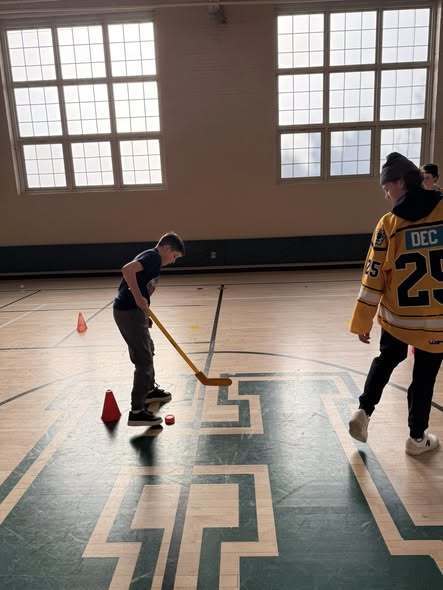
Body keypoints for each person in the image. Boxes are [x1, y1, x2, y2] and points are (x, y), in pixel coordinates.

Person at [349, 152, 443, 455]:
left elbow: (373, 275)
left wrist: (362, 322)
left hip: (400, 318)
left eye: (387, 187)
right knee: (424, 376)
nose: (386, 194)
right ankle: (417, 439)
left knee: (387, 358)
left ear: (401, 182)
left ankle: (363, 411)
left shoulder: (389, 224)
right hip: (439, 318)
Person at [113, 232, 185, 426]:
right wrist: (137, 299)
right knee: (143, 359)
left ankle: (149, 391)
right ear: (167, 248)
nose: (173, 261)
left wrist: (144, 314)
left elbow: (143, 286)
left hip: (135, 313)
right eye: (175, 256)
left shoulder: (153, 259)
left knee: (148, 349)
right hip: (128, 312)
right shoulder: (153, 257)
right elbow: (127, 270)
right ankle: (137, 411)